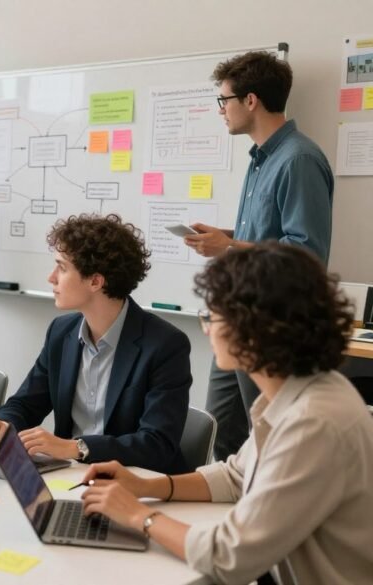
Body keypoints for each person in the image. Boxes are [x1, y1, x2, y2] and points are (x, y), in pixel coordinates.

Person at [79, 243, 373, 585]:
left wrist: (139, 516)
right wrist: (146, 486)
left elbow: (229, 557)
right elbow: (235, 476)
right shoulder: (300, 393)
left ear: (253, 329)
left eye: (212, 317)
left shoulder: (313, 423)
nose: (206, 329)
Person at [183, 51, 334, 461]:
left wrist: (229, 246)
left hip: (271, 324)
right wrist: (227, 236)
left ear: (251, 100)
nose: (221, 110)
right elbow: (267, 235)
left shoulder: (298, 159)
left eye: (224, 100)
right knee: (221, 438)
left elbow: (307, 253)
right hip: (236, 316)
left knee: (267, 442)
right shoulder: (259, 160)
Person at [0, 214, 191, 474]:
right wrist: (2, 422)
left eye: (62, 268)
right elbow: (26, 404)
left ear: (95, 281)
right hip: (71, 475)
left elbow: (156, 444)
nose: (51, 277)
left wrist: (77, 447)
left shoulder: (165, 345)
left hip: (134, 481)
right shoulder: (61, 332)